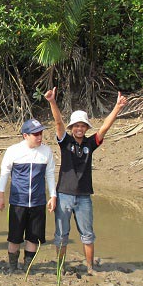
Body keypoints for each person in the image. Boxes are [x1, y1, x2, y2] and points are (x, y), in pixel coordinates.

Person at [45, 87, 128, 275]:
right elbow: (58, 123)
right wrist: (52, 101)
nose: (79, 128)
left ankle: (90, 267)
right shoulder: (65, 142)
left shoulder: (90, 144)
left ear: (86, 128)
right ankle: (60, 268)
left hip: (83, 197)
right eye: (76, 126)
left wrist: (117, 107)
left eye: (82, 126)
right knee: (61, 235)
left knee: (88, 235)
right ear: (72, 128)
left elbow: (105, 128)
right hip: (64, 195)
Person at [0, 119, 57, 274]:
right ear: (25, 135)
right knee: (14, 237)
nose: (39, 137)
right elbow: (4, 173)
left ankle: (27, 267)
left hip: (38, 202)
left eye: (41, 133)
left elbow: (50, 174)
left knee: (33, 237)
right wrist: (0, 196)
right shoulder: (13, 151)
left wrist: (53, 195)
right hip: (18, 201)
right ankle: (12, 267)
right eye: (35, 134)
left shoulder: (46, 151)